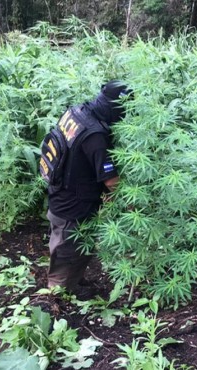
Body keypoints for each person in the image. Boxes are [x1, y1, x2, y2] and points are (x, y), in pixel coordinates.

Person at [45, 80, 131, 294]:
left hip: (62, 189)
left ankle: (73, 283)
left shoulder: (77, 112)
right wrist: (132, 204)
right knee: (67, 249)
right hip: (73, 203)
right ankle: (58, 297)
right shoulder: (95, 136)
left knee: (78, 245)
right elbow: (111, 181)